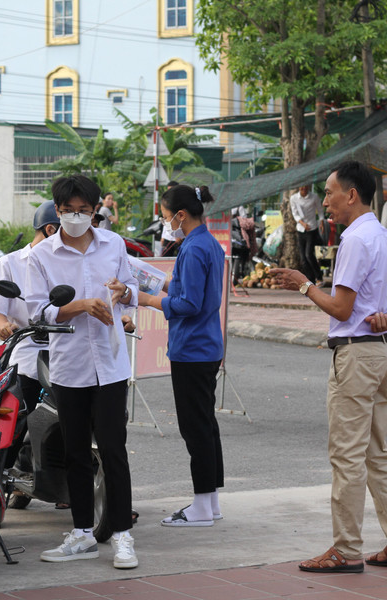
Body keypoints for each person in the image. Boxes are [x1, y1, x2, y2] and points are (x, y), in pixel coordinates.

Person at [270, 161, 387, 574]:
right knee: (376, 453)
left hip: (356, 355)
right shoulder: (386, 239)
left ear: (351, 195)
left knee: (348, 456)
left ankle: (346, 549)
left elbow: (341, 307)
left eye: (330, 192)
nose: (326, 201)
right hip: (383, 354)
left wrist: (304, 285)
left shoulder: (356, 240)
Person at [26, 174, 139, 570]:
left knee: (112, 450)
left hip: (109, 365)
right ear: (57, 212)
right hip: (69, 366)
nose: (77, 217)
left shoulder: (114, 244)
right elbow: (36, 311)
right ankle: (81, 534)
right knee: (74, 452)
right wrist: (82, 305)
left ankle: (122, 536)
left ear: (96, 211)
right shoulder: (41, 256)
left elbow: (131, 289)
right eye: (69, 211)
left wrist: (124, 295)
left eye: (85, 211)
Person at [138, 185, 226, 527]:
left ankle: (201, 507)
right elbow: (189, 290)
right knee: (206, 425)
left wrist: (147, 300)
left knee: (196, 428)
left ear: (180, 215)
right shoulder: (208, 244)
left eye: (164, 216)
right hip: (206, 346)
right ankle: (210, 502)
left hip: (191, 349)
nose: (164, 223)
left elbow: (188, 304)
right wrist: (156, 283)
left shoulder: (192, 249)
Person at [0, 201, 60, 471]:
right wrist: (3, 324)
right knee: (18, 412)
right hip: (27, 350)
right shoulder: (9, 264)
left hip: (66, 350)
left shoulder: (69, 265)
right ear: (51, 230)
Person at [289, 184, 324, 285]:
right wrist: (302, 224)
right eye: (301, 187)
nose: (304, 188)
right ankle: (310, 280)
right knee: (303, 258)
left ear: (309, 186)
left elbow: (320, 211)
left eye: (305, 186)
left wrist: (321, 221)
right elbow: (295, 213)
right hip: (301, 229)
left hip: (312, 229)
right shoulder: (294, 198)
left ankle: (319, 277)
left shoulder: (314, 197)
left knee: (309, 254)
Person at [160, 181, 182, 256]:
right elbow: (165, 219)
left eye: (171, 190)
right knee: (164, 260)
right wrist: (163, 237)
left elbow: (182, 220)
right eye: (168, 190)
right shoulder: (166, 202)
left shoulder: (182, 202)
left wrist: (179, 236)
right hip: (168, 238)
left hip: (179, 238)